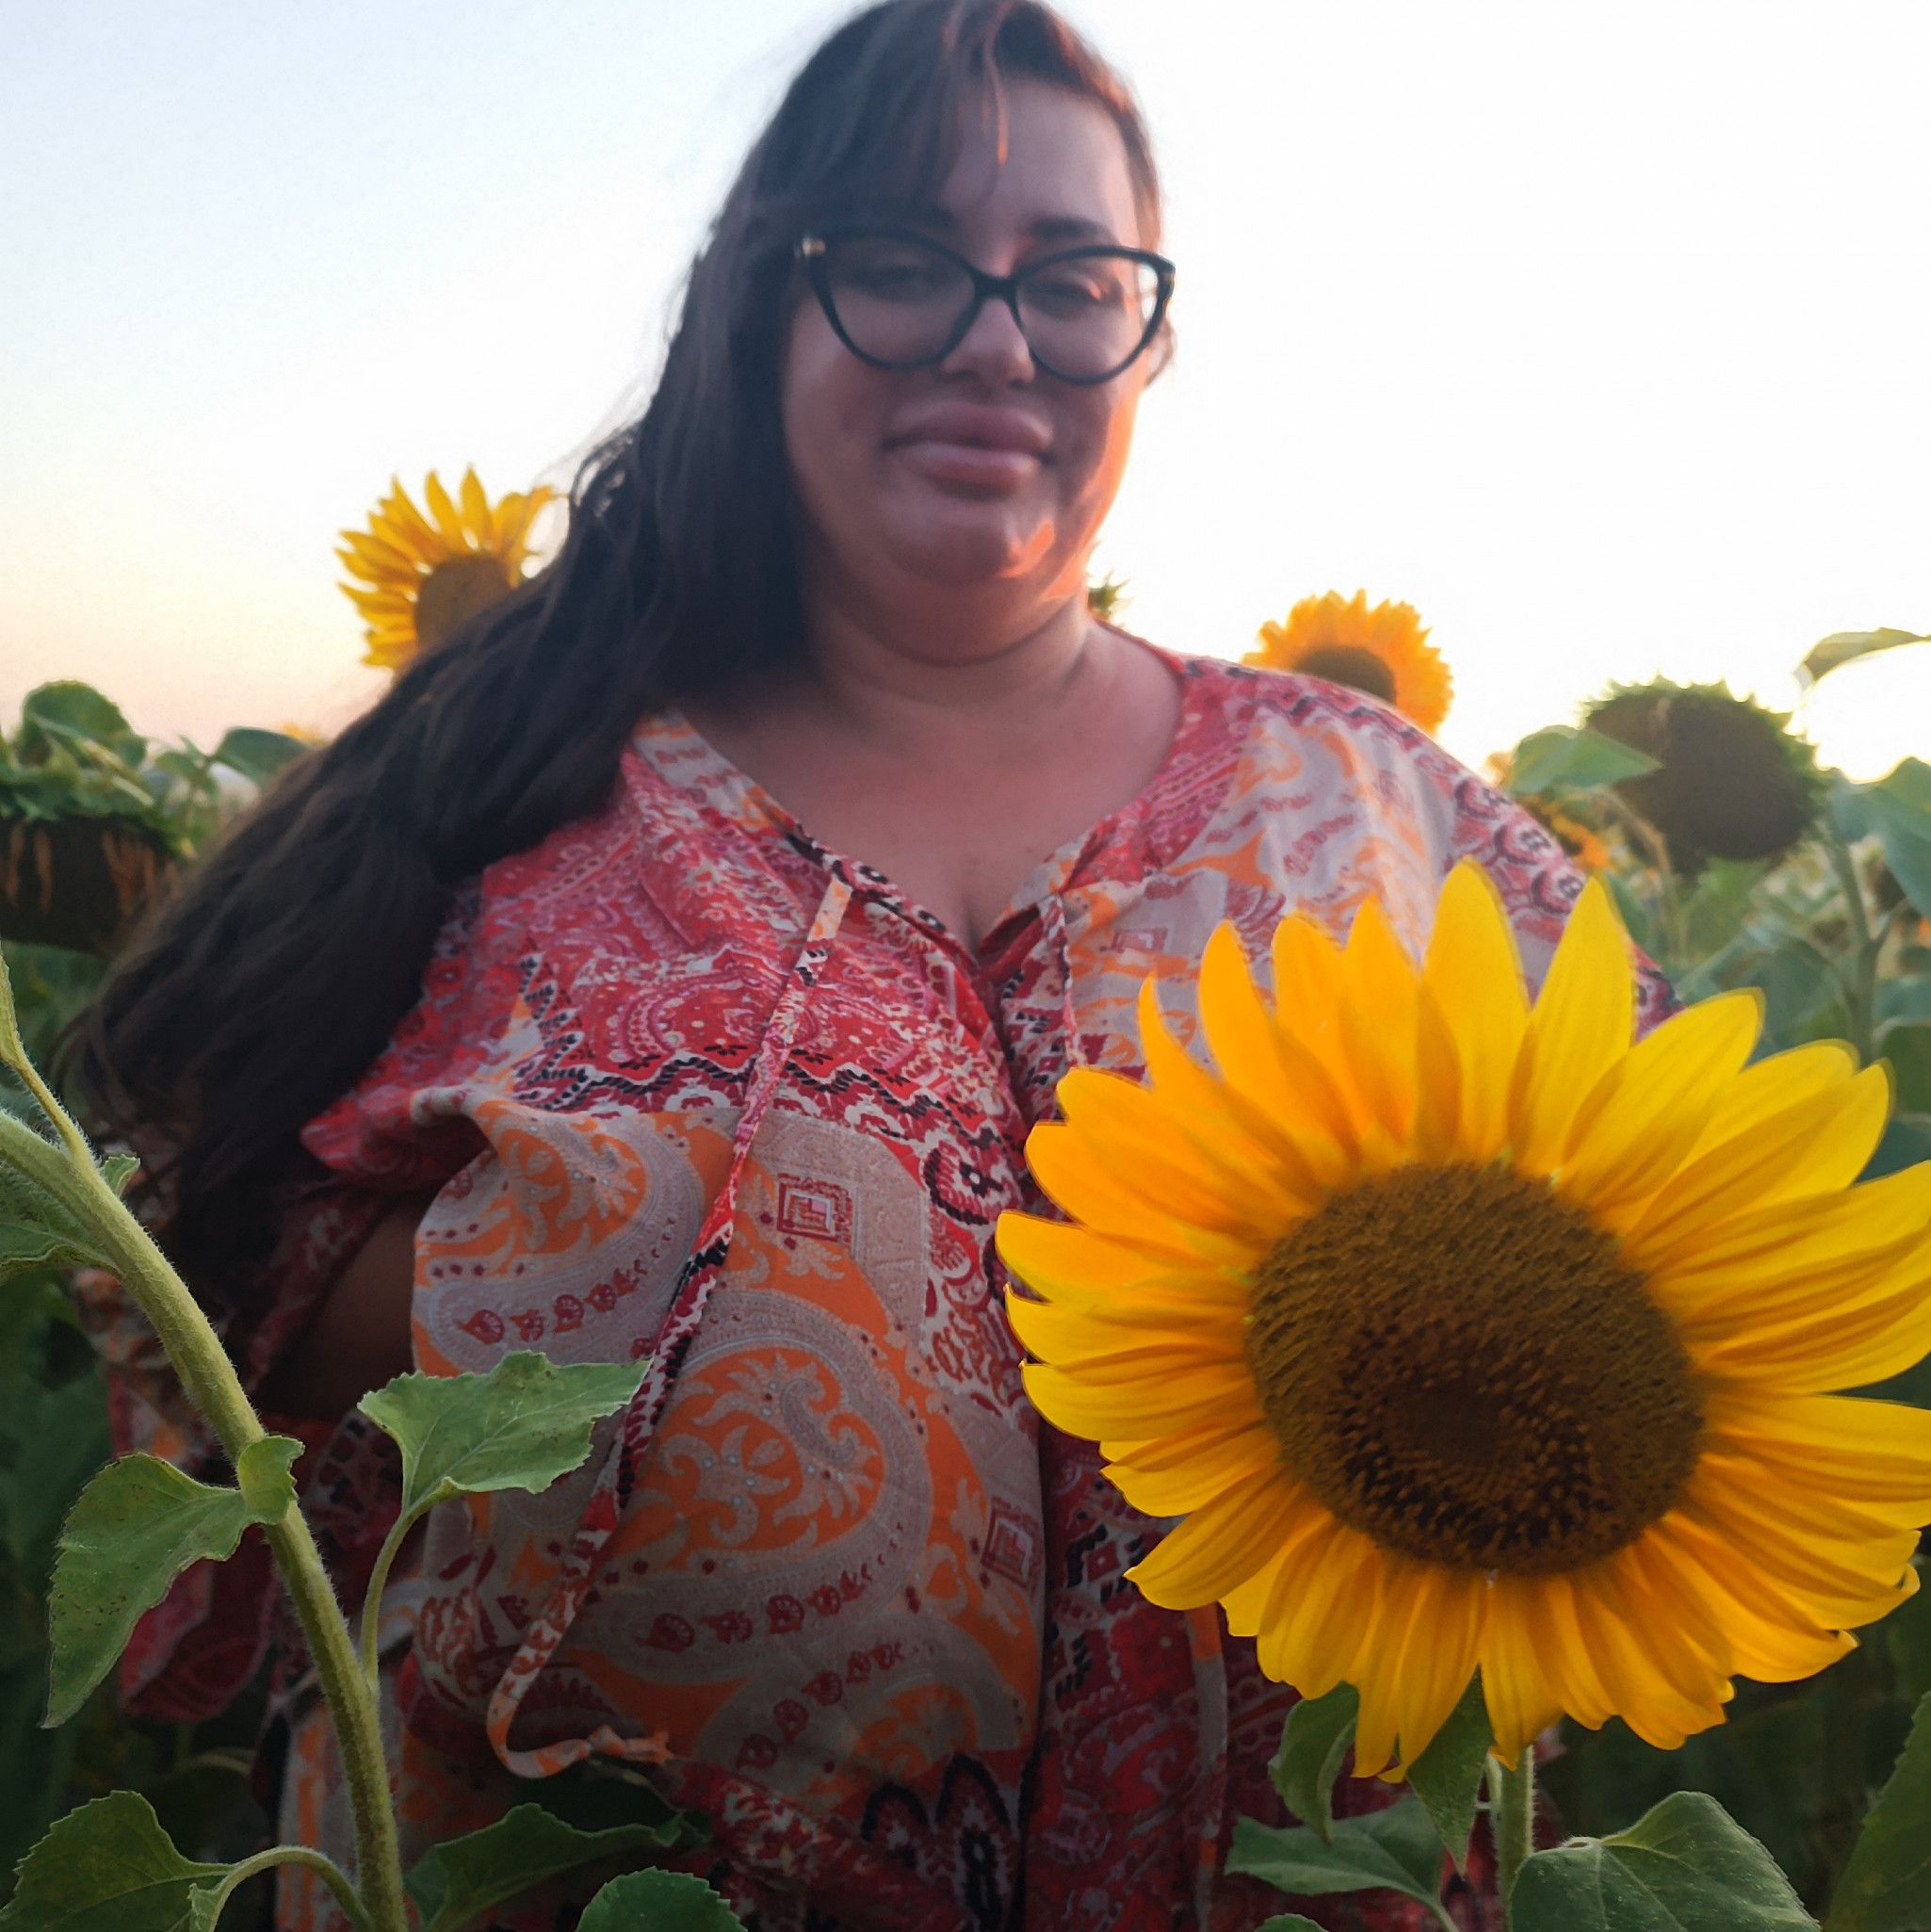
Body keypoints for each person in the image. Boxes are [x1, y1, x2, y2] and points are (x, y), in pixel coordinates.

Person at [75, 3, 1668, 1927]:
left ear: (1144, 339)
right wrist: (571, 1277)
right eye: (904, 265)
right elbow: (177, 1265)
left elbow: (1678, 1266)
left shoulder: (1388, 824)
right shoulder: (498, 778)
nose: (996, 340)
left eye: (1073, 279)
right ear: (762, 307)